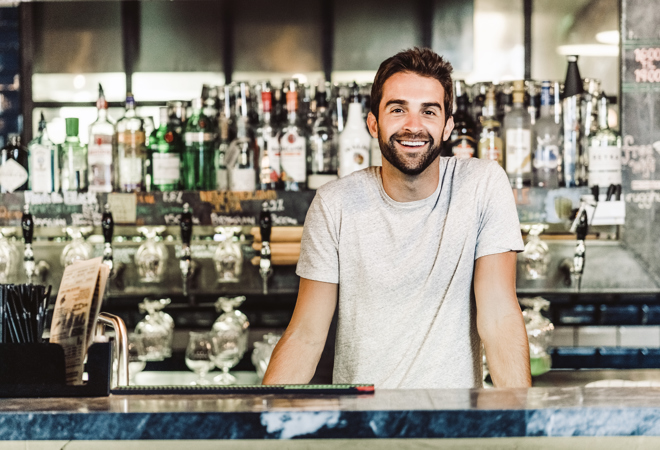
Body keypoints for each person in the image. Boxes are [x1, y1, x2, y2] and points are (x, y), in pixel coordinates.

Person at [262, 47, 531, 389]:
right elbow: (306, 335)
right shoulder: (334, 203)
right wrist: (260, 418)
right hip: (362, 431)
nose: (414, 126)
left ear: (448, 125)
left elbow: (499, 317)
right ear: (373, 123)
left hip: (452, 429)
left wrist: (523, 421)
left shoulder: (482, 185)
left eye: (429, 111)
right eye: (398, 109)